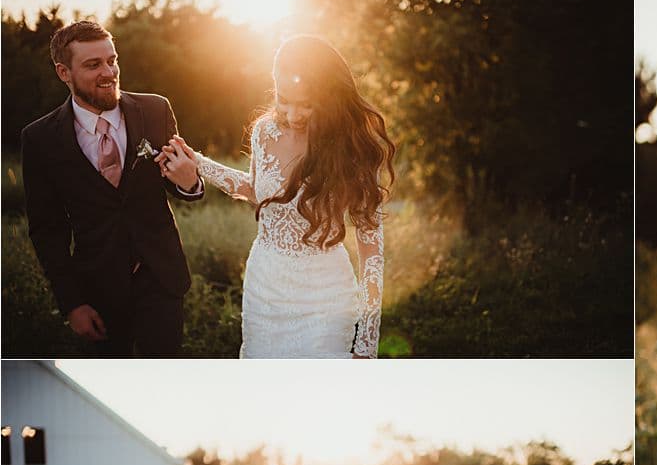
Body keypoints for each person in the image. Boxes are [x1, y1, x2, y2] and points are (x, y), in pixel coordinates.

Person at [163, 34, 395, 358]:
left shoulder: (352, 146)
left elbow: (372, 252)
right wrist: (200, 163)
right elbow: (259, 192)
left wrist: (368, 342)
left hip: (325, 296)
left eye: (306, 103)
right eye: (284, 99)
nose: (292, 113)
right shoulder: (264, 131)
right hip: (265, 286)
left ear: (329, 97)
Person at [20, 20, 204, 357]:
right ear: (64, 72)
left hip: (161, 279)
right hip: (97, 289)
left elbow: (182, 183)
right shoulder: (40, 139)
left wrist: (190, 182)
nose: (109, 72)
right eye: (93, 65)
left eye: (112, 60)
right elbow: (48, 230)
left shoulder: (155, 110)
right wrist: (72, 304)